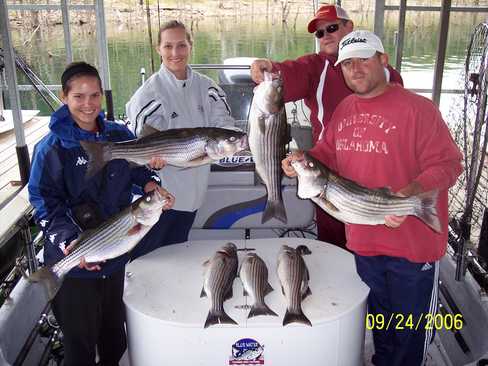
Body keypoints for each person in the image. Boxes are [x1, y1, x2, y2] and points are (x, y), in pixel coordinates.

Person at [281, 30, 463, 366]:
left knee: (410, 328)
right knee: (380, 319)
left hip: (412, 244)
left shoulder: (419, 110)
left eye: (364, 59)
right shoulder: (345, 109)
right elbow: (327, 155)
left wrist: (408, 193)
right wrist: (301, 160)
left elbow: (449, 164)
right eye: (347, 64)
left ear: (383, 60)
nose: (355, 69)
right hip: (364, 241)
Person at [28, 61, 174, 366]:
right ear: (63, 96)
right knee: (80, 345)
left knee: (114, 336)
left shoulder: (120, 136)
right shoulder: (51, 149)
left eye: (94, 95)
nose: (88, 104)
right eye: (79, 96)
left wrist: (151, 182)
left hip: (115, 254)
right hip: (75, 260)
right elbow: (44, 202)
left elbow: (138, 173)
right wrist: (69, 242)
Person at [251, 4, 403, 249]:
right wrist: (269, 67)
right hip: (328, 169)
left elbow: (398, 113)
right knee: (332, 239)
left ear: (349, 27)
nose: (325, 36)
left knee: (374, 239)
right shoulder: (315, 66)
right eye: (319, 33)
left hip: (373, 166)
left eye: (332, 28)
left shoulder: (384, 72)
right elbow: (289, 75)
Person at [126, 20, 235, 259]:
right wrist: (150, 162)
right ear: (158, 49)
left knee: (174, 255)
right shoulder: (148, 94)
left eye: (181, 45)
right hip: (161, 198)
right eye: (168, 46)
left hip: (194, 196)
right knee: (148, 258)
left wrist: (231, 142)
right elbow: (139, 141)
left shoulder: (208, 88)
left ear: (190, 46)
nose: (175, 53)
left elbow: (224, 123)